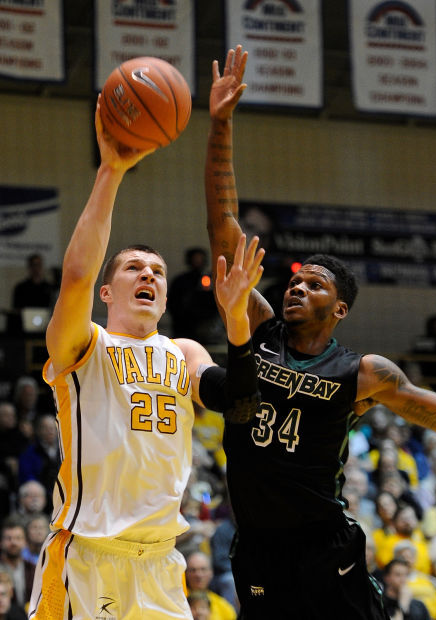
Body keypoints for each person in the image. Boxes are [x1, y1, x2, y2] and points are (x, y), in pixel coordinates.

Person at [204, 45, 436, 620]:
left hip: (325, 549)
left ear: (341, 309)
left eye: (315, 284)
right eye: (295, 280)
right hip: (257, 548)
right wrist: (220, 125)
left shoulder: (364, 372)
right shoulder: (257, 327)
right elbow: (222, 229)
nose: (297, 288)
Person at [27, 97, 264, 620]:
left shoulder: (183, 352)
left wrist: (239, 319)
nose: (149, 276)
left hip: (160, 564)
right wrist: (111, 171)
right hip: (88, 556)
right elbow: (76, 277)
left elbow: (238, 400)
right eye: (133, 268)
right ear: (107, 293)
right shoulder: (85, 345)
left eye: (156, 270)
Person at [167, 247, 224, 344]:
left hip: (209, 331)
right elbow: (173, 304)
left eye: (200, 259)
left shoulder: (211, 280)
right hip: (184, 328)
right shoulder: (181, 281)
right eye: (195, 259)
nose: (198, 262)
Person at [9, 254, 55, 334]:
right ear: (29, 267)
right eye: (34, 265)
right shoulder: (20, 288)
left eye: (39, 265)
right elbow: (16, 310)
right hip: (24, 330)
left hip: (46, 330)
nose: (36, 268)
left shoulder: (50, 288)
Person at [185, 551, 237, 620]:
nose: (198, 574)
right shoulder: (178, 601)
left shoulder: (224, 607)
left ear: (211, 573)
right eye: (193, 570)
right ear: (186, 573)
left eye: (203, 569)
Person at [0, 518, 34, 610]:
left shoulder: (34, 569)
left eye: (18, 538)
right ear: (1, 542)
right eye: (8, 538)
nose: (13, 542)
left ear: (25, 542)